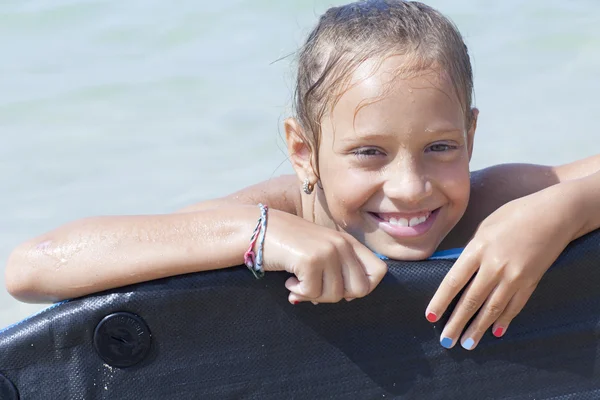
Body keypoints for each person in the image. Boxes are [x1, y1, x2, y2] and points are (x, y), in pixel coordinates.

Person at [5, 0, 600, 352]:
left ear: (471, 134)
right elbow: (32, 268)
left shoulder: (491, 206)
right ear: (303, 150)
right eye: (369, 153)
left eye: (441, 147)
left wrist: (565, 209)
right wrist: (260, 235)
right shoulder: (272, 215)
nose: (411, 186)